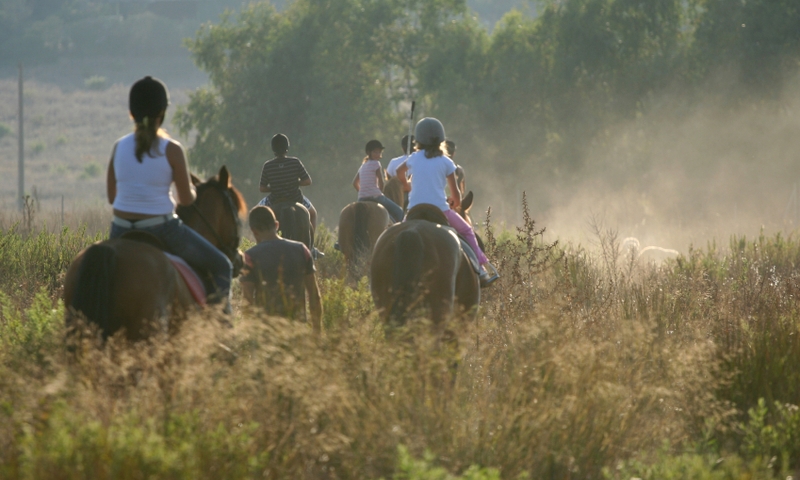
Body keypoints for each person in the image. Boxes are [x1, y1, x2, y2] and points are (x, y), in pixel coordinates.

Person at [107, 75, 233, 307]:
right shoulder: (172, 149)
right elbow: (186, 201)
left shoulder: (118, 146)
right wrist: (193, 193)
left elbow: (112, 197)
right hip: (161, 229)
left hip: (120, 228)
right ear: (162, 114)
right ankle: (221, 332)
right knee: (222, 266)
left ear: (132, 113)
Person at [396, 117, 499, 287]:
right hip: (440, 210)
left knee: (398, 234)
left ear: (418, 140)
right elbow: (457, 197)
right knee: (467, 230)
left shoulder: (413, 158)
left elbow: (399, 172)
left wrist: (407, 186)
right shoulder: (446, 162)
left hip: (414, 209)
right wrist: (453, 202)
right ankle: (481, 267)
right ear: (441, 140)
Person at [239, 206, 322, 333]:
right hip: (297, 331)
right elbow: (314, 295)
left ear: (253, 231)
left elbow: (247, 301)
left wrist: (249, 337)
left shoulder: (250, 257)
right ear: (277, 225)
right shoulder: (302, 250)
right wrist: (317, 331)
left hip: (266, 335)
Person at [258, 134, 318, 236]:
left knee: (256, 214)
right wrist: (295, 182)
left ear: (273, 149)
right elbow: (308, 181)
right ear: (287, 147)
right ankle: (312, 247)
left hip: (274, 199)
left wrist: (274, 186)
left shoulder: (268, 165)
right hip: (296, 198)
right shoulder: (295, 162)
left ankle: (260, 244)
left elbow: (262, 188)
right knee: (313, 214)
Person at [352, 139, 404, 223]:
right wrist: (380, 193)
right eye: (375, 152)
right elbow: (381, 182)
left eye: (379, 152)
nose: (378, 154)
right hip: (375, 196)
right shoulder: (376, 164)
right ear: (369, 152)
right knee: (399, 212)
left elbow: (354, 183)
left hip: (361, 198)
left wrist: (363, 192)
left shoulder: (362, 166)